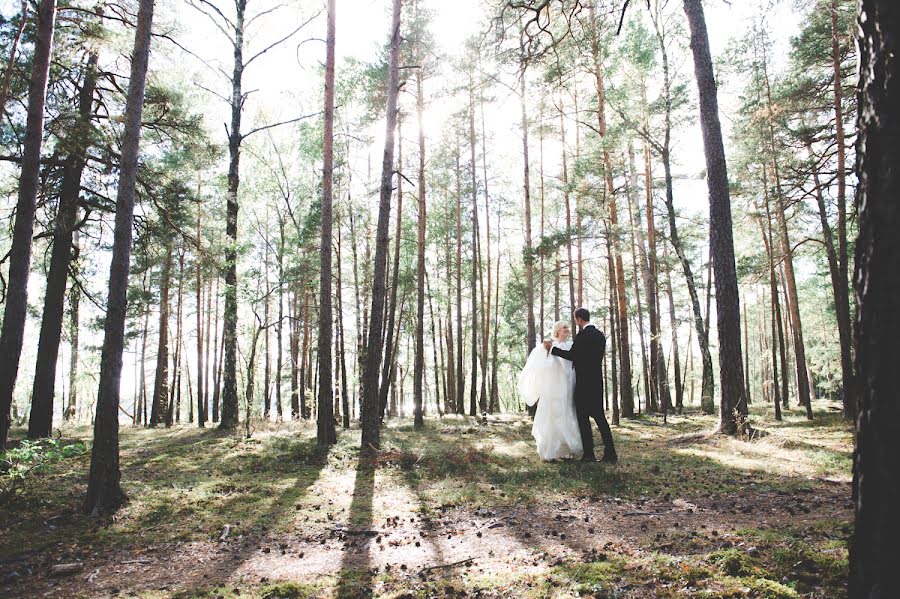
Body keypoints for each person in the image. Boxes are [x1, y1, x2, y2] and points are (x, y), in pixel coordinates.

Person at [543, 308, 618, 463]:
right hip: (597, 382)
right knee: (601, 419)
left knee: (583, 419)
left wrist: (552, 349)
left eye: (575, 320)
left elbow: (572, 356)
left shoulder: (582, 336)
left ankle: (589, 454)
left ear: (579, 319)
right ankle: (610, 453)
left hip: (583, 384)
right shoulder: (600, 336)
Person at [518, 321, 583, 461]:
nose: (567, 329)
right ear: (557, 331)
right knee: (553, 417)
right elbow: (539, 367)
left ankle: (567, 450)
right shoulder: (547, 346)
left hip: (568, 387)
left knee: (568, 415)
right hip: (553, 389)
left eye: (567, 327)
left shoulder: (571, 345)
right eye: (564, 327)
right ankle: (551, 451)